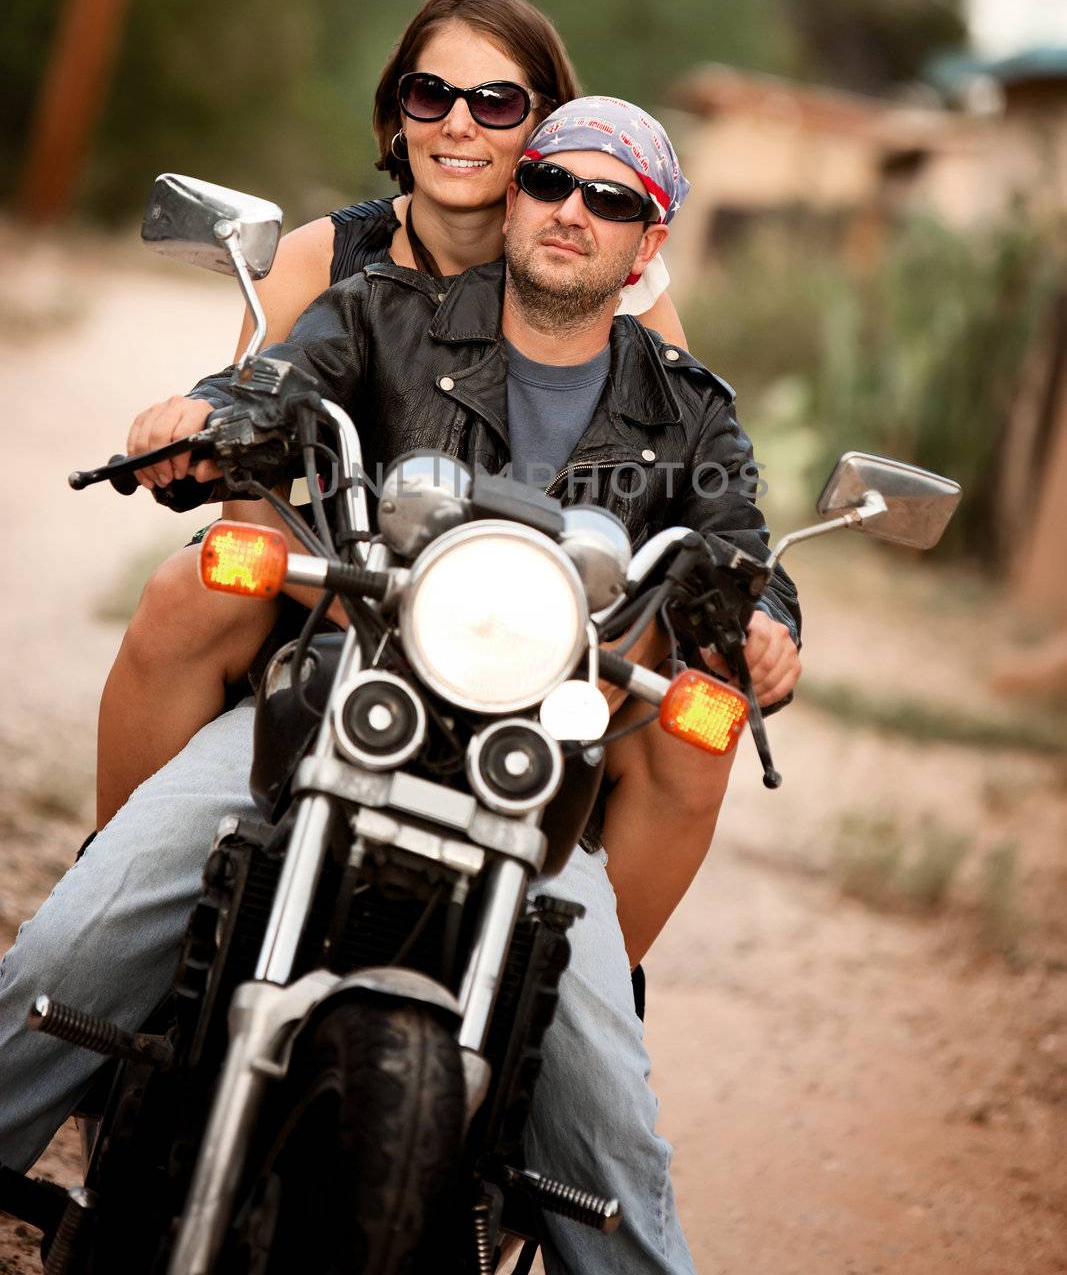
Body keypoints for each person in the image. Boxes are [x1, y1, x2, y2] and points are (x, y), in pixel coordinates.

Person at [0, 97, 800, 1274]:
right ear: (515, 195)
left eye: (611, 199)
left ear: (648, 243)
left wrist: (767, 629)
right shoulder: (386, 315)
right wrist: (204, 423)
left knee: (611, 1144)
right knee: (67, 955)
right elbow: (274, 387)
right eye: (549, 183)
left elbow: (741, 559)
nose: (571, 211)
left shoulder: (690, 411)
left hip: (533, 776)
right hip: (334, 702)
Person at [97, 0, 686, 828]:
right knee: (197, 580)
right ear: (397, 113)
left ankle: (597, 955)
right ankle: (111, 858)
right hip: (327, 596)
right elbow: (249, 479)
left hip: (527, 630)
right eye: (429, 92)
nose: (456, 122)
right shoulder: (321, 259)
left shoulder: (606, 273)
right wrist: (200, 420)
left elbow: (674, 465)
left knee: (691, 715)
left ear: (543, 128)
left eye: (495, 102)